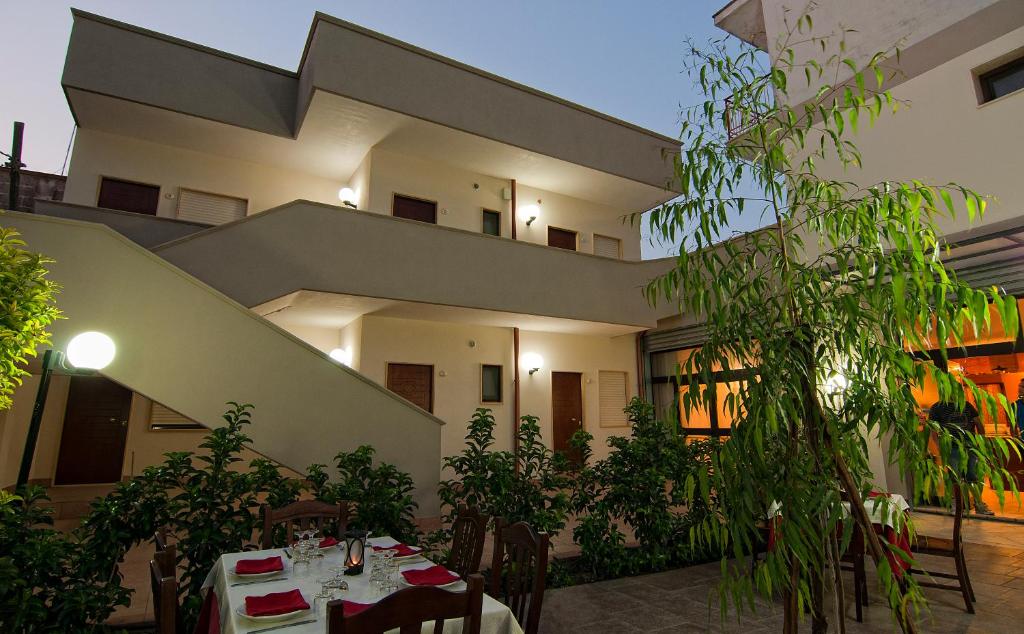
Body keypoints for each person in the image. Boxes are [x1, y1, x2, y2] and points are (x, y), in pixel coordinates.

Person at [929, 399, 995, 516]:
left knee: (973, 476)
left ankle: (979, 504)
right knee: (955, 477)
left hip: (970, 446)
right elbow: (933, 430)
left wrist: (981, 441)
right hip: (951, 447)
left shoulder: (966, 405)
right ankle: (957, 506)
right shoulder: (937, 407)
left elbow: (978, 422)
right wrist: (940, 448)